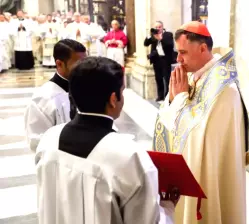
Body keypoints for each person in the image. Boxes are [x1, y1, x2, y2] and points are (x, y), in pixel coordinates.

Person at [35, 57, 177, 224]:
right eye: (122, 92)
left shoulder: (48, 140)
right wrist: (167, 208)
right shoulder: (129, 157)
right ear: (113, 99)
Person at [153, 21, 248, 224]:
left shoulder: (224, 90)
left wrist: (179, 100)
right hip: (190, 172)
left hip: (206, 177)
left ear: (203, 48)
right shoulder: (197, 77)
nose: (178, 59)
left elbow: (195, 137)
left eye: (183, 52)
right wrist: (172, 99)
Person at [24, 39, 87, 152]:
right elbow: (37, 142)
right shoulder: (43, 99)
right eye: (78, 64)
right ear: (59, 64)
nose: (84, 68)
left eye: (86, 62)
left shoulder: (87, 89)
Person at [144, 21, 175, 101]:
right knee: (158, 78)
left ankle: (167, 96)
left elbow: (170, 44)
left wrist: (160, 39)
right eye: (156, 27)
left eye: (159, 27)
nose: (158, 28)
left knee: (167, 78)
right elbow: (146, 43)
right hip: (156, 60)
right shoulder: (153, 35)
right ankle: (160, 95)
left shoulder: (168, 34)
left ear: (162, 27)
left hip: (165, 60)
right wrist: (149, 34)